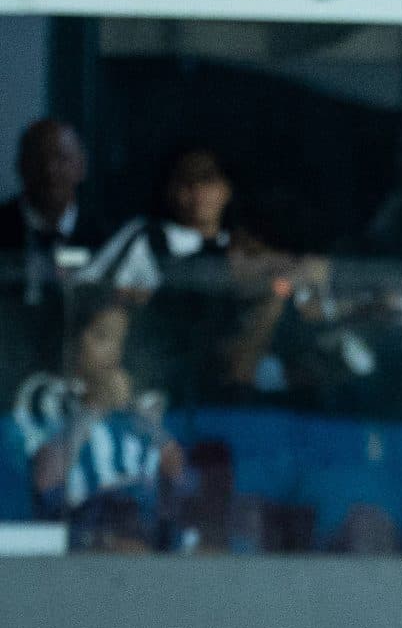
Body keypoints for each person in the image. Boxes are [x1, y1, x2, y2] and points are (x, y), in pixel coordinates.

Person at [19, 290, 188, 551]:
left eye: (121, 341)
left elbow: (175, 468)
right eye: (102, 337)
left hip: (141, 530)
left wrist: (132, 411)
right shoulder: (48, 399)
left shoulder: (140, 407)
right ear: (73, 342)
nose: (114, 351)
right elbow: (46, 481)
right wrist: (95, 407)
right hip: (84, 533)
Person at [88, 145, 234, 297]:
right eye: (186, 181)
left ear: (227, 188)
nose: (198, 191)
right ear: (171, 189)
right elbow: (88, 287)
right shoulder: (145, 236)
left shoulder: (239, 246)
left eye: (207, 179)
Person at [1, 119, 102, 318]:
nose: (49, 170)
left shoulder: (103, 237)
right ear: (21, 166)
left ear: (81, 166)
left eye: (61, 158)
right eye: (39, 159)